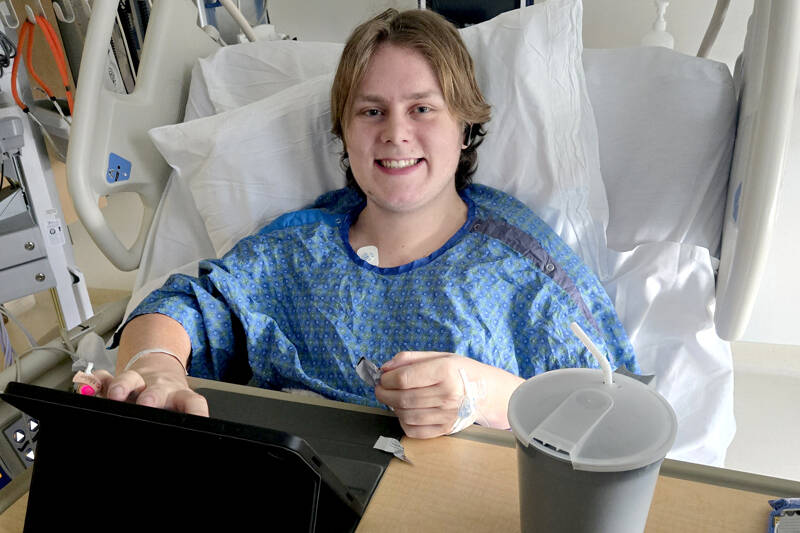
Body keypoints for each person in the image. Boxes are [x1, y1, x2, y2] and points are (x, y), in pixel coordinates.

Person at [97, 8, 637, 439]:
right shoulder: (296, 246)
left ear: (465, 126)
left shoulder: (524, 265)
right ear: (345, 132)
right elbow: (185, 304)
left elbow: (619, 414)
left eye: (422, 109)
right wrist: (156, 366)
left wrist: (490, 396)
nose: (395, 134)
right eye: (371, 111)